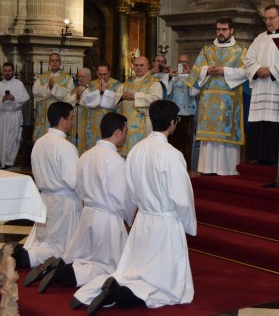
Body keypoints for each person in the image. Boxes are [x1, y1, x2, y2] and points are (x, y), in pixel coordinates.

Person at [72, 100, 196, 315]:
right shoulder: (172, 155)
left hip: (144, 219)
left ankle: (118, 286)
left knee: (136, 269)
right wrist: (188, 223)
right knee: (164, 284)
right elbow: (182, 197)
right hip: (164, 222)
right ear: (173, 122)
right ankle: (124, 294)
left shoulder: (137, 149)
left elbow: (131, 188)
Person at [36, 112, 136, 293]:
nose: (126, 135)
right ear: (119, 132)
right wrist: (129, 218)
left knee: (86, 258)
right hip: (107, 219)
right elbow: (124, 198)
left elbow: (78, 187)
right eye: (126, 131)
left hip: (88, 214)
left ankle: (63, 269)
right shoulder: (117, 161)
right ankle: (64, 275)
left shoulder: (86, 155)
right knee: (111, 267)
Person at [0, 102, 81, 279]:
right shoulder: (66, 147)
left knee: (45, 238)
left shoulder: (39, 143)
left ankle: (22, 254)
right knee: (61, 247)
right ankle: (25, 257)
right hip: (62, 201)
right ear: (62, 121)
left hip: (44, 198)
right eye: (71, 118)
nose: (72, 122)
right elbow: (72, 182)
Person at [186, 17, 248, 175]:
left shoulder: (241, 50)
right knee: (209, 140)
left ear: (231, 30)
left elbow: (247, 71)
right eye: (218, 29)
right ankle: (207, 169)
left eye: (224, 29)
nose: (221, 33)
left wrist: (225, 71)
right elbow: (195, 71)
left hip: (230, 101)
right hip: (208, 102)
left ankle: (227, 170)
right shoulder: (207, 50)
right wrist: (206, 70)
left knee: (225, 138)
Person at [244, 4, 279, 165]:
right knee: (262, 122)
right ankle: (261, 156)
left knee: (278, 121)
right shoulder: (259, 38)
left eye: (271, 18)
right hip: (262, 87)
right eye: (266, 18)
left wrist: (271, 71)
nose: (267, 21)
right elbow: (248, 60)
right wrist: (257, 69)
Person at [115, 56, 162, 156]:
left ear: (147, 66)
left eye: (141, 65)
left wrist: (136, 96)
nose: (138, 68)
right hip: (126, 125)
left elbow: (157, 100)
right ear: (133, 67)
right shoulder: (127, 82)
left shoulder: (154, 82)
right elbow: (115, 98)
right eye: (136, 65)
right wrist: (122, 96)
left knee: (140, 155)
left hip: (144, 125)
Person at [0, 62, 30, 169]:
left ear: (13, 71)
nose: (7, 73)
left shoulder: (19, 84)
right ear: (3, 71)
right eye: (5, 71)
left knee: (13, 138)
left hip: (15, 114)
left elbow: (26, 97)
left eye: (9, 71)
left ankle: (10, 162)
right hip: (3, 115)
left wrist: (14, 98)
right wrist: (2, 99)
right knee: (3, 138)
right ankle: (3, 161)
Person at [32, 53, 74, 141]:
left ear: (60, 62)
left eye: (57, 60)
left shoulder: (67, 78)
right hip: (44, 115)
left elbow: (69, 95)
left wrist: (55, 87)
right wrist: (48, 88)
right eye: (52, 61)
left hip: (59, 115)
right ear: (49, 63)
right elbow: (35, 92)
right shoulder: (42, 77)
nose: (54, 63)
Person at [84, 62, 121, 149]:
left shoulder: (117, 85)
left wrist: (105, 92)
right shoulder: (90, 85)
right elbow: (86, 101)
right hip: (93, 124)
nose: (102, 77)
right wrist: (99, 92)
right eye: (100, 74)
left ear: (109, 73)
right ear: (96, 73)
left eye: (105, 74)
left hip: (111, 124)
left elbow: (118, 102)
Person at [57, 67, 93, 154]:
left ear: (89, 77)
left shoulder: (93, 89)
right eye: (79, 76)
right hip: (74, 123)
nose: (81, 78)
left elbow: (92, 102)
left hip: (87, 122)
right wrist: (75, 97)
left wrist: (82, 98)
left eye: (83, 76)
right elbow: (66, 101)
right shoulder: (74, 90)